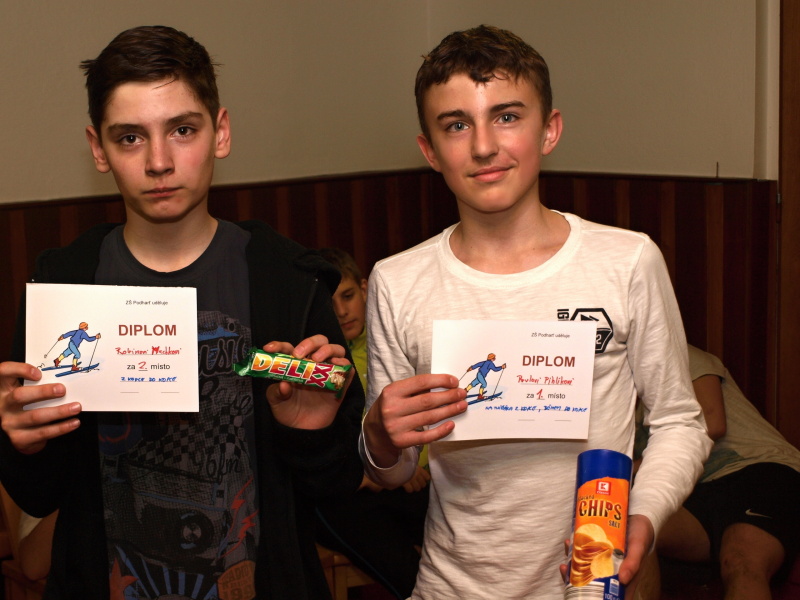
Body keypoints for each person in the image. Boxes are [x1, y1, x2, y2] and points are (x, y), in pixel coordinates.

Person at [0, 26, 364, 600]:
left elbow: (338, 485)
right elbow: (39, 494)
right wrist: (23, 442)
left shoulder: (289, 282)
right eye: (130, 138)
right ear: (98, 149)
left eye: (182, 130)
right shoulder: (62, 286)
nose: (159, 162)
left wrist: (310, 436)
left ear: (221, 132)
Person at [359, 24, 712, 599]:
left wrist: (643, 515)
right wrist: (377, 435)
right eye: (456, 125)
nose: (483, 146)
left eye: (506, 116)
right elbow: (395, 469)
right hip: (451, 587)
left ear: (549, 130)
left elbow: (679, 421)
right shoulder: (397, 282)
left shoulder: (626, 261)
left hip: (590, 580)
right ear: (429, 150)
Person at [314, 247, 429, 599]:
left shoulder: (391, 341)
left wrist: (409, 466)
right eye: (330, 302)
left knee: (461, 543)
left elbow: (425, 415)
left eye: (348, 296)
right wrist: (367, 476)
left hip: (409, 478)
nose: (341, 310)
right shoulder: (319, 357)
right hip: (349, 493)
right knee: (409, 575)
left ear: (365, 289)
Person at [649, 345, 800, 600]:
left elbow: (713, 423)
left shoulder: (674, 354)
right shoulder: (611, 394)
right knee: (626, 532)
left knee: (741, 561)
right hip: (696, 490)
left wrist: (629, 466)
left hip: (760, 469)